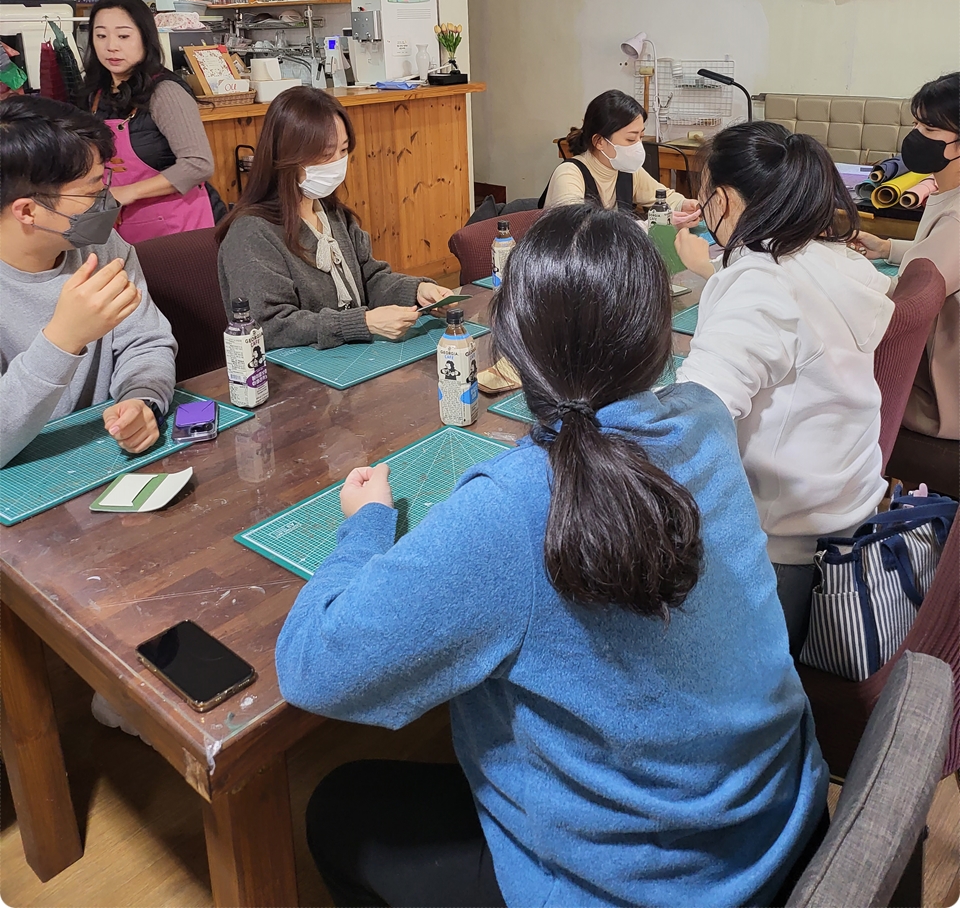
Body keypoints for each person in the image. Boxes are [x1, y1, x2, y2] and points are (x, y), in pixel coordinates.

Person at [275, 204, 828, 908]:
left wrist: (366, 526)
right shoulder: (703, 418)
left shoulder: (512, 508)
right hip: (780, 823)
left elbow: (313, 669)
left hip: (662, 886)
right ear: (661, 333)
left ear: (509, 348)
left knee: (340, 806)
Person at [674, 121, 894, 655]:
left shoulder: (762, 280)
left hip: (781, 552)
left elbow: (695, 417)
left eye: (704, 196)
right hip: (848, 513)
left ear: (722, 200)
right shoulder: (836, 261)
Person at [0, 97, 176, 469]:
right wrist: (63, 338)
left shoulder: (102, 246)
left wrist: (141, 399)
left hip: (102, 457)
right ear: (27, 210)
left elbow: (146, 342)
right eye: (92, 191)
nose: (106, 200)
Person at [216, 86, 453, 350]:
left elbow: (369, 278)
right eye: (326, 153)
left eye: (343, 150)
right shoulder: (251, 234)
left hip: (350, 355)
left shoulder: (331, 213)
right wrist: (362, 322)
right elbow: (268, 326)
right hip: (293, 376)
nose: (337, 163)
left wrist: (418, 292)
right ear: (287, 155)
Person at [856, 72, 959, 441]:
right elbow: (937, 259)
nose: (916, 136)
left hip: (941, 395)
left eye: (930, 129)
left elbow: (907, 297)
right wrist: (887, 248)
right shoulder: (947, 189)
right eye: (916, 123)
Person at [82, 0, 216, 243]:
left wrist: (126, 193)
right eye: (101, 36)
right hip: (121, 229)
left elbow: (198, 164)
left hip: (178, 228)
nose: (111, 46)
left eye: (123, 36)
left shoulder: (165, 93)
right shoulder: (96, 94)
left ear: (146, 38)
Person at [540, 88, 699, 218]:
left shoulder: (625, 169)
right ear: (599, 141)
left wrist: (684, 205)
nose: (638, 145)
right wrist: (643, 227)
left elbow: (663, 196)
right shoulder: (569, 174)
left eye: (641, 136)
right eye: (630, 139)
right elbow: (578, 231)